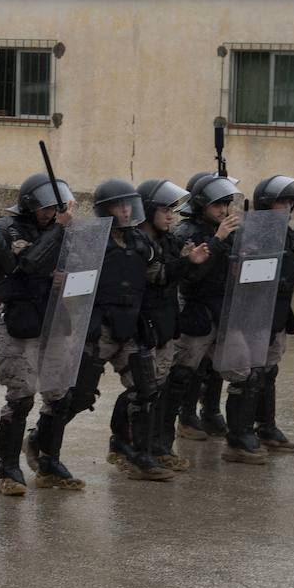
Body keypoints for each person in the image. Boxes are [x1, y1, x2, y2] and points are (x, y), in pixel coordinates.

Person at [0, 171, 80, 494]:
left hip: (55, 317)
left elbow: (75, 260)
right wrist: (58, 229)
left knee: (60, 394)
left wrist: (65, 274)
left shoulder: (62, 230)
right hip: (20, 319)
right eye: (46, 209)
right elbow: (27, 263)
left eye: (56, 210)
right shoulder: (6, 229)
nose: (52, 215)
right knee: (21, 395)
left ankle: (48, 460)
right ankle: (8, 467)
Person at [82, 179, 172, 481]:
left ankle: (140, 456)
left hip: (131, 327)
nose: (124, 210)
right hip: (100, 329)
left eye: (127, 204)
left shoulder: (140, 242)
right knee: (79, 395)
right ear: (104, 210)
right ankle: (41, 442)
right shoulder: (92, 241)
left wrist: (189, 262)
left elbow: (158, 277)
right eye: (118, 205)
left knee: (146, 390)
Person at [131, 179, 208, 469]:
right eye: (164, 210)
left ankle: (161, 446)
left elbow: (185, 271)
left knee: (161, 388)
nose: (170, 215)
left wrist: (193, 259)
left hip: (166, 323)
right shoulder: (139, 241)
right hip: (143, 325)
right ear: (148, 210)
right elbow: (158, 275)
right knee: (144, 391)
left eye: (172, 210)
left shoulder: (170, 239)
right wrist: (188, 262)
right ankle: (133, 446)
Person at [166, 174, 243, 447]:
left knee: (218, 367)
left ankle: (211, 412)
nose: (223, 210)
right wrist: (219, 239)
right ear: (201, 205)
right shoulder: (187, 233)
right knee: (186, 367)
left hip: (223, 305)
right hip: (196, 307)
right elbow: (193, 276)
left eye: (226, 204)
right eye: (216, 205)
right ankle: (184, 417)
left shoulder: (229, 230)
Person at [233, 175, 294, 458]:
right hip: (252, 314)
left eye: (290, 202)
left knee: (268, 371)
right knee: (249, 375)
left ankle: (266, 426)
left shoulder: (289, 234)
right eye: (281, 202)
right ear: (266, 204)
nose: (287, 207)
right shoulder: (250, 232)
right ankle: (240, 434)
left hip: (277, 312)